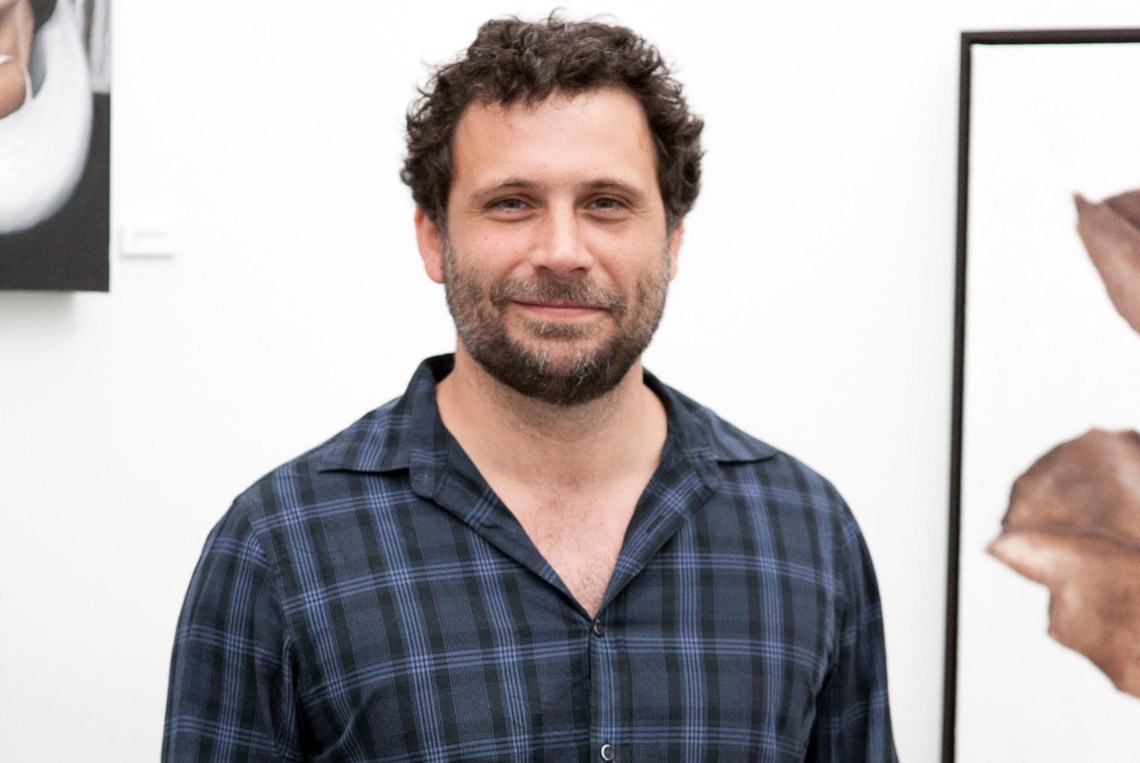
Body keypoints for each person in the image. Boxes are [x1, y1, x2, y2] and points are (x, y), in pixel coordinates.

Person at [163, 14, 897, 761]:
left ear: (672, 241)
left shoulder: (806, 531)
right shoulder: (280, 544)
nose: (562, 252)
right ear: (433, 238)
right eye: (512, 202)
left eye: (606, 203)